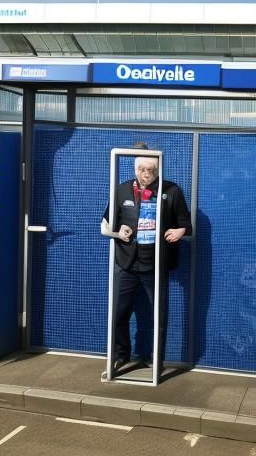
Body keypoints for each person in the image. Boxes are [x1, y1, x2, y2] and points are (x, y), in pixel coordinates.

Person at [101, 147, 191, 374]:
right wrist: (117, 232)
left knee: (158, 315)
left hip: (156, 263)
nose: (146, 174)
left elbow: (185, 224)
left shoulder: (171, 191)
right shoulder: (122, 190)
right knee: (118, 313)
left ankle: (156, 361)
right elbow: (105, 225)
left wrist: (180, 231)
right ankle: (121, 355)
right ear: (135, 169)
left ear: (158, 169)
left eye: (150, 169)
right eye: (141, 169)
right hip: (126, 263)